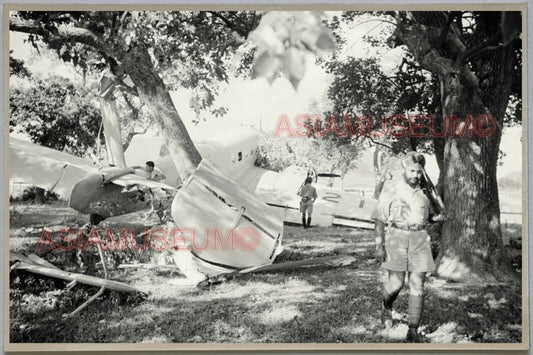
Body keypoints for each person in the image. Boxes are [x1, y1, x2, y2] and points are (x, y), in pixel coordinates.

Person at [371, 151, 444, 343]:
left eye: (419, 172)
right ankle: (386, 307)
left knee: (417, 284)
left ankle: (413, 330)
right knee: (396, 284)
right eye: (412, 171)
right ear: (404, 169)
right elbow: (379, 220)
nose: (415, 175)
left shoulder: (427, 191)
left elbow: (430, 216)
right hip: (397, 237)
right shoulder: (391, 188)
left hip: (420, 238)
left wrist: (437, 217)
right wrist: (379, 246)